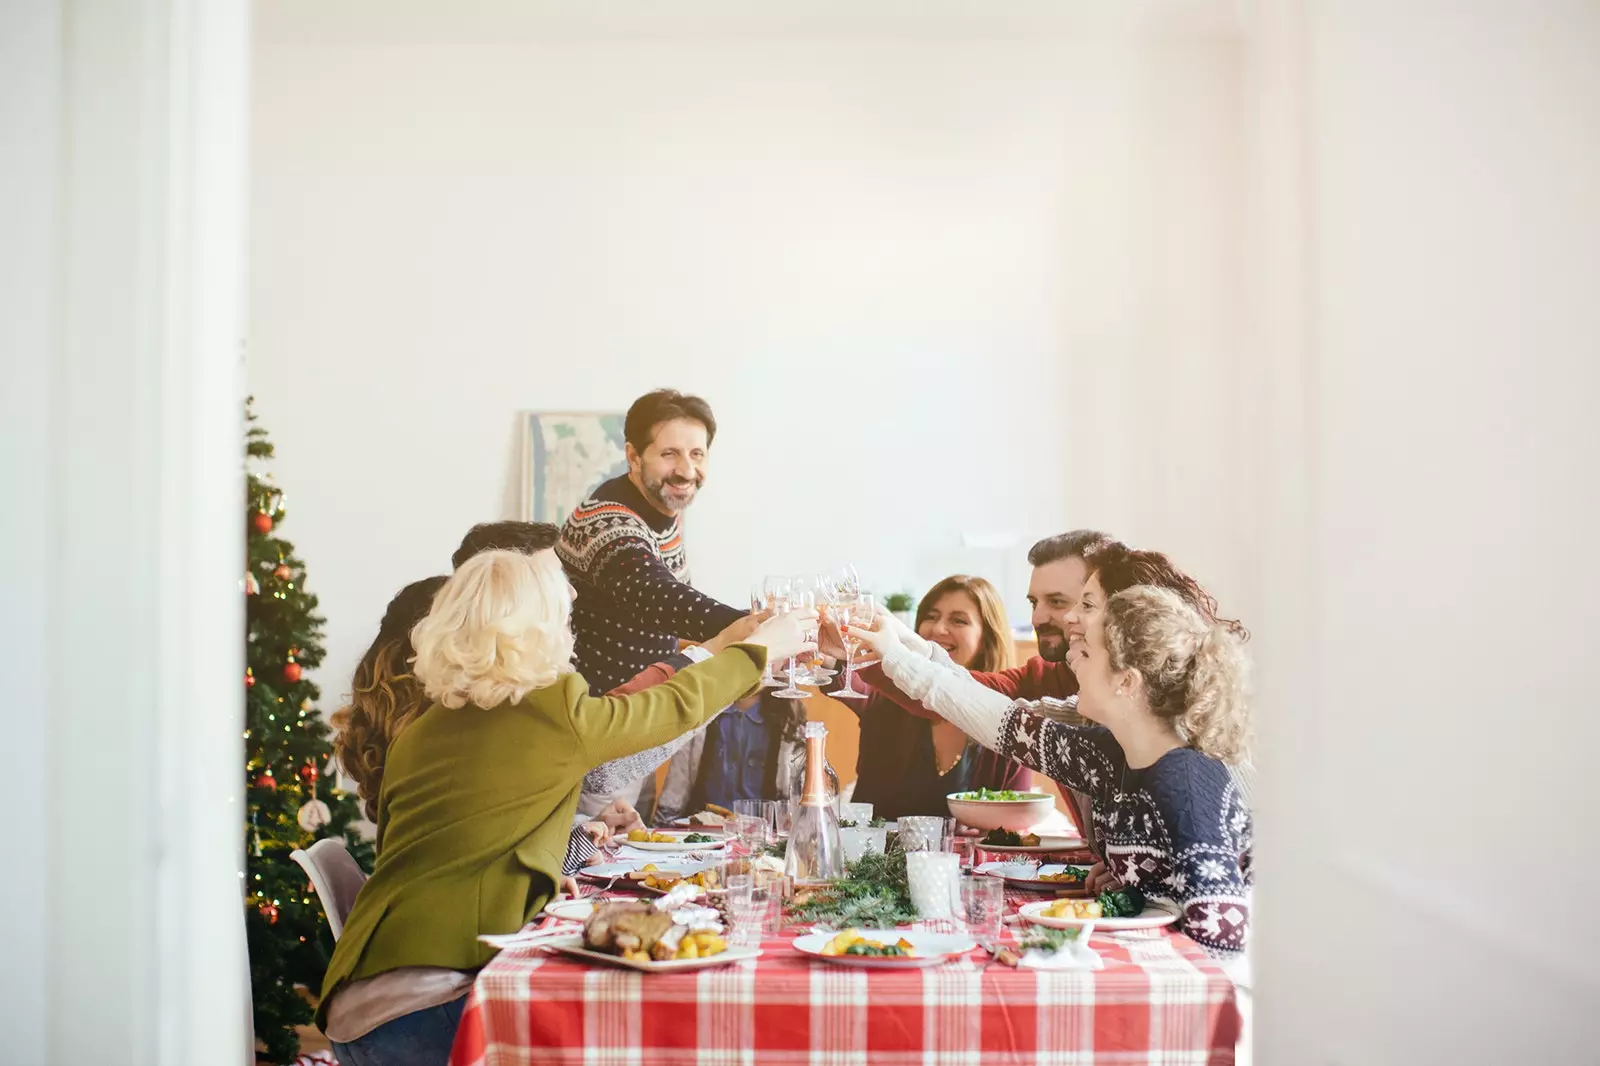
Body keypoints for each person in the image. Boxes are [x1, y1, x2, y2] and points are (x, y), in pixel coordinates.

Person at [317, 549, 813, 1066]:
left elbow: (457, 844)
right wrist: (757, 651)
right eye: (562, 607)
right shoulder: (545, 708)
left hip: (365, 998)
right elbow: (670, 709)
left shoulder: (430, 725)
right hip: (426, 1009)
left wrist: (533, 876)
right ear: (533, 628)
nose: (573, 614)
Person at [851, 585, 1252, 958]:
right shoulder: (1106, 755)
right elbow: (995, 717)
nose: (1074, 659)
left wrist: (896, 656)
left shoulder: (1185, 780)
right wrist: (899, 644)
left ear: (1127, 682)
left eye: (1089, 653)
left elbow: (1221, 938)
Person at [556, 390, 746, 814]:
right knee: (592, 871)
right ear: (633, 455)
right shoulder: (609, 521)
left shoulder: (659, 511)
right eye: (670, 454)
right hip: (597, 741)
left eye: (698, 454)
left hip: (635, 735)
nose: (686, 469)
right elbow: (662, 599)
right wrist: (756, 625)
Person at [842, 575, 1033, 819]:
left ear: (987, 639)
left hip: (976, 858)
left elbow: (1016, 821)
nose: (938, 629)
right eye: (930, 617)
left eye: (958, 620)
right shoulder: (888, 696)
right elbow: (845, 677)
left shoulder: (1009, 718)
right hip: (877, 855)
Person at [653, 689, 806, 825]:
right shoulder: (703, 711)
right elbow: (678, 780)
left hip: (762, 837)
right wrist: (661, 830)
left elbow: (797, 795)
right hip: (703, 831)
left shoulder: (789, 720)